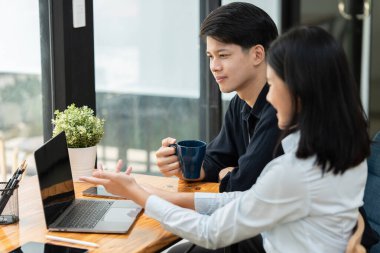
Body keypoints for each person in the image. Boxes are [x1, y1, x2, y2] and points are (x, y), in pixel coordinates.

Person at [81, 26, 371, 253]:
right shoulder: (340, 150)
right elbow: (248, 198)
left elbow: (213, 231)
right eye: (210, 57)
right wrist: (150, 193)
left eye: (274, 85)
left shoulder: (295, 171)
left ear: (300, 91)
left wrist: (140, 196)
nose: (269, 96)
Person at [156, 3, 281, 251]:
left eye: (223, 55)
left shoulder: (280, 108)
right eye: (211, 57)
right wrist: (184, 165)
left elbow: (243, 187)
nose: (214, 66)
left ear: (257, 54)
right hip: (252, 231)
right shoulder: (239, 103)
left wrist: (230, 175)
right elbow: (216, 161)